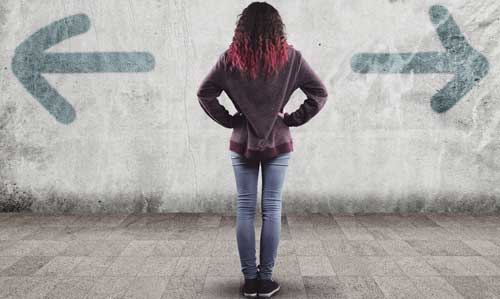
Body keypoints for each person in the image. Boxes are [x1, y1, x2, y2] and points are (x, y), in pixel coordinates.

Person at [196, 2, 328, 297]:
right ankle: (265, 281)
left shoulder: (230, 59)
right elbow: (319, 93)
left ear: (242, 27)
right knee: (271, 208)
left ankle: (249, 280)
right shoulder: (291, 58)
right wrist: (292, 119)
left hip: (241, 141)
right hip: (278, 143)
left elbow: (205, 93)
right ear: (276, 27)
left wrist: (231, 120)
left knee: (245, 209)